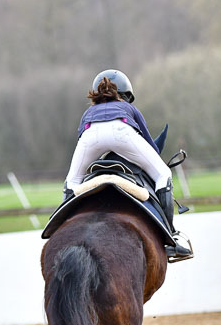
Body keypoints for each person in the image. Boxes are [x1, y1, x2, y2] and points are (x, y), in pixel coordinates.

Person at [64, 69, 192, 259]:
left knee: (72, 181)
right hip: (122, 133)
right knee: (163, 174)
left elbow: (81, 137)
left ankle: (63, 227)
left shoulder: (88, 112)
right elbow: (150, 144)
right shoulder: (128, 108)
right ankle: (171, 237)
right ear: (126, 95)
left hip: (90, 137)